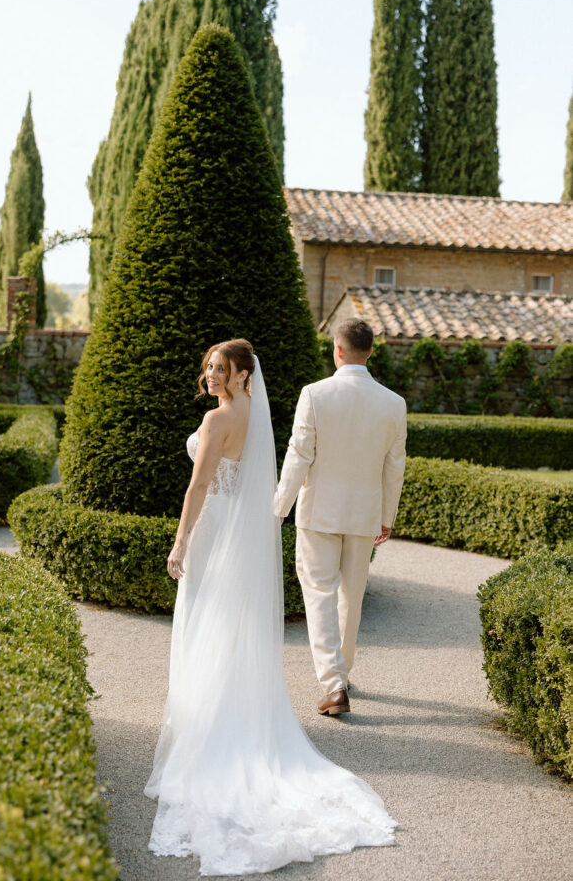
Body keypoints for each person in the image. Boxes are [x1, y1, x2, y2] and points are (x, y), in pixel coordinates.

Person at [145, 338, 396, 876]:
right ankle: (250, 705)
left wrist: (180, 541)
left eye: (221, 369)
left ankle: (209, 724)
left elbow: (198, 485)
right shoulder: (254, 418)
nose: (211, 375)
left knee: (207, 623)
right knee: (228, 626)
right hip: (241, 529)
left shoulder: (217, 423)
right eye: (208, 366)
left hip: (214, 530)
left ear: (242, 376)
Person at [275, 318, 407, 716]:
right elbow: (394, 466)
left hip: (318, 513)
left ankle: (333, 684)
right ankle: (341, 675)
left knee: (319, 593)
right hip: (364, 513)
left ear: (336, 350)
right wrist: (387, 517)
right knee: (352, 596)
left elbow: (299, 456)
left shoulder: (315, 394)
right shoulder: (394, 403)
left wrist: (277, 509)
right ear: (370, 352)